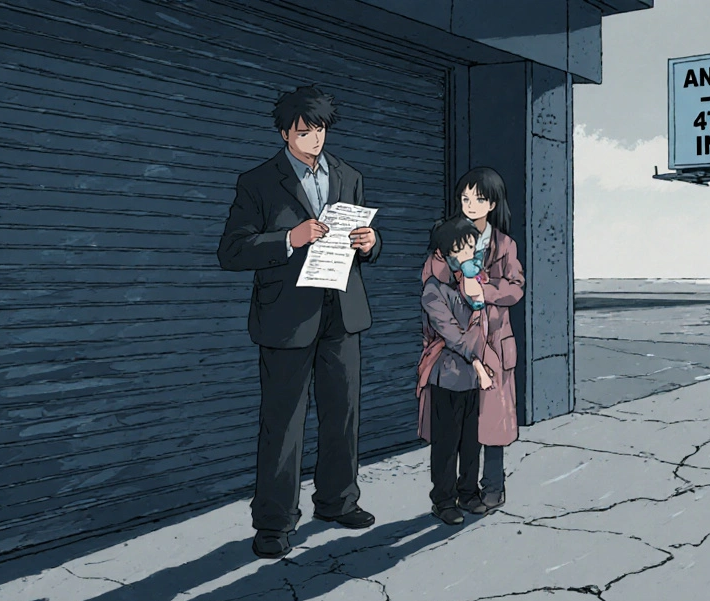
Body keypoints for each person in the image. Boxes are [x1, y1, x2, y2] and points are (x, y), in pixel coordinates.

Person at [218, 86, 381, 559]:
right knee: (282, 423)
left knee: (342, 415)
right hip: (286, 318)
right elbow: (231, 251)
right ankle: (274, 523)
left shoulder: (349, 176)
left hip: (342, 313)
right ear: (285, 134)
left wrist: (371, 244)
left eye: (320, 130)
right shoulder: (257, 182)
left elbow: (366, 244)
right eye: (304, 132)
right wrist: (289, 238)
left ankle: (337, 501)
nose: (314, 140)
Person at [419, 168, 524, 514]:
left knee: (492, 422)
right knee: (456, 430)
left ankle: (491, 486)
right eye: (465, 197)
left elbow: (516, 288)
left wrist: (486, 290)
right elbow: (432, 282)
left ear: (492, 203)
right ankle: (451, 495)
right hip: (459, 348)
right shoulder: (449, 236)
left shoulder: (504, 244)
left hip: (494, 342)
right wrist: (458, 269)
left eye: (479, 198)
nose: (471, 204)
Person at [417, 216, 497, 525]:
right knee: (446, 444)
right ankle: (444, 500)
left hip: (472, 379)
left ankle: (468, 493)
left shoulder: (472, 284)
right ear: (443, 253)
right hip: (448, 376)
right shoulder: (433, 290)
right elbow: (451, 334)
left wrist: (476, 294)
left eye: (471, 247)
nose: (468, 254)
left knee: (471, 441)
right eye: (461, 248)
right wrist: (478, 364)